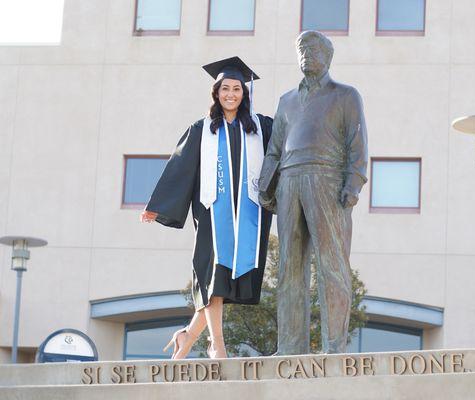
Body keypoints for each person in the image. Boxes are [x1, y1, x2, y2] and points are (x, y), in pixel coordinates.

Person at [141, 57, 273, 359]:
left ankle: (186, 338)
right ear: (216, 93)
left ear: (244, 93)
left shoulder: (260, 127)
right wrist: (157, 206)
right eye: (225, 88)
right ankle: (217, 345)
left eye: (237, 89)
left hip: (248, 215)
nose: (231, 94)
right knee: (215, 276)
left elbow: (282, 150)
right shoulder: (202, 130)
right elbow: (180, 166)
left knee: (225, 281)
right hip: (213, 213)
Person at [259, 31, 368, 355]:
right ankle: (290, 345)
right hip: (290, 181)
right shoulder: (286, 101)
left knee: (331, 265)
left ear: (327, 55)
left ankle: (334, 346)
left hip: (327, 180)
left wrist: (353, 183)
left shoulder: (345, 95)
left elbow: (357, 143)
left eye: (313, 47)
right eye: (301, 48)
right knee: (289, 267)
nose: (306, 52)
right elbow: (274, 150)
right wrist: (266, 187)